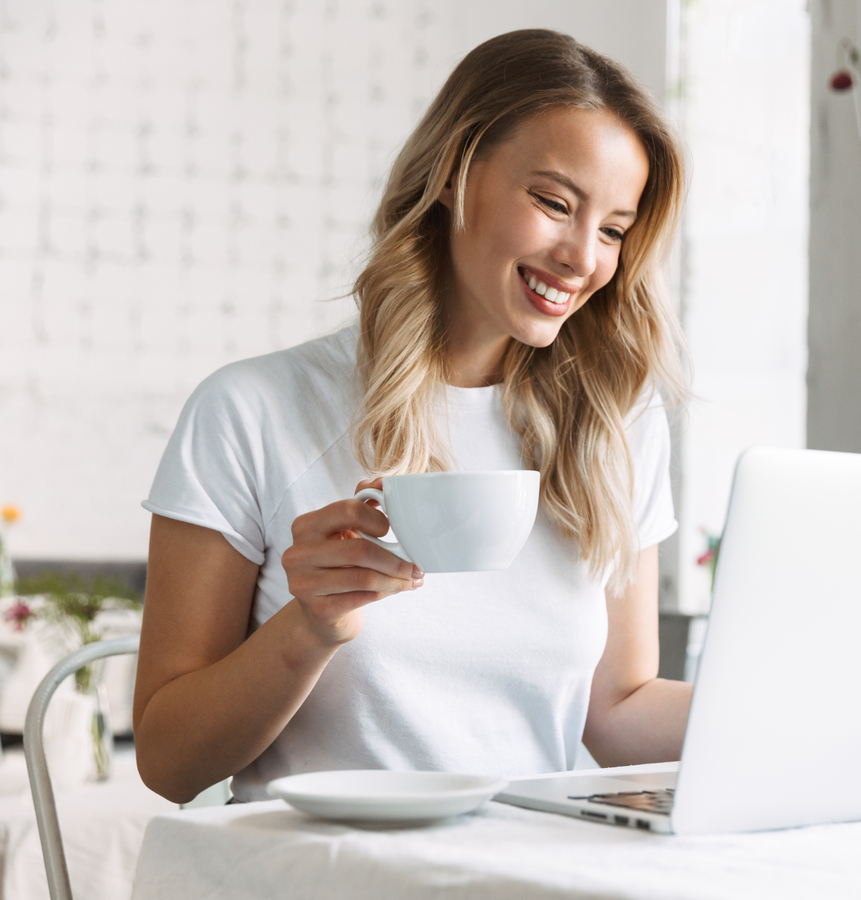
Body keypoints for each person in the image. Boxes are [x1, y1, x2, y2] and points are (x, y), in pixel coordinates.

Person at [132, 29, 692, 804]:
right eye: (554, 203)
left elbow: (617, 710)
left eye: (613, 231)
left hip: (531, 871)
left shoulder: (616, 426)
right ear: (454, 174)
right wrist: (310, 628)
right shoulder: (250, 412)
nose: (581, 257)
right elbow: (168, 761)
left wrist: (805, 713)